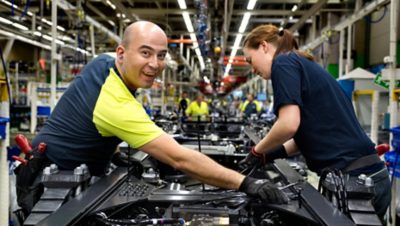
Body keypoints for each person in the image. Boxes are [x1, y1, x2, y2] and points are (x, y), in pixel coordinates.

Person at [16, 21, 286, 215]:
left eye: (161, 55)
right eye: (145, 52)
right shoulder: (115, 104)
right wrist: (246, 183)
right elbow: (179, 158)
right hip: (52, 190)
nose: (155, 64)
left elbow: (86, 120)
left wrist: (109, 152)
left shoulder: (103, 63)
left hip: (65, 172)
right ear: (121, 53)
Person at [239, 24, 391, 222]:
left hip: (355, 182)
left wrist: (256, 151)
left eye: (250, 60)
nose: (253, 69)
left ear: (264, 46)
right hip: (371, 177)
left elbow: (288, 124)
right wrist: (270, 154)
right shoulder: (300, 63)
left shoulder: (283, 63)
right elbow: (305, 137)